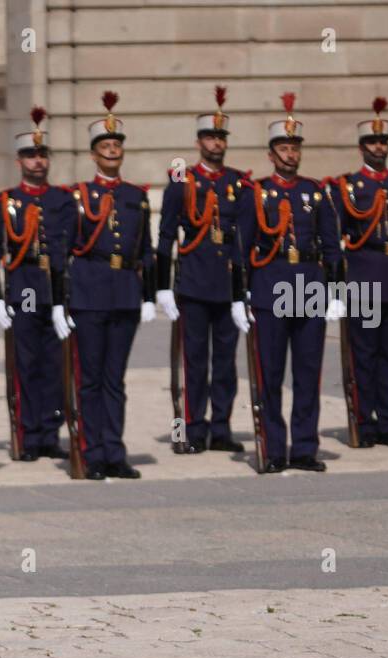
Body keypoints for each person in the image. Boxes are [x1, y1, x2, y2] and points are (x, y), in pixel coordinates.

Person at [236, 93, 344, 473]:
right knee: (270, 373)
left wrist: (336, 292)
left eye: (295, 148)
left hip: (310, 286)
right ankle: (273, 447)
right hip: (270, 285)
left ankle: (304, 448)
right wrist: (241, 295)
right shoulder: (256, 193)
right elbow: (242, 246)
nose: (290, 155)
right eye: (283, 148)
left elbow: (332, 245)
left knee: (308, 372)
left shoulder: (315, 191)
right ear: (271, 154)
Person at [155, 87, 249, 455]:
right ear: (199, 142)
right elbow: (165, 237)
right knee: (193, 365)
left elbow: (246, 240)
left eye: (221, 137)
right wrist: (162, 287)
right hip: (192, 284)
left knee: (225, 364)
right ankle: (190, 429)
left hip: (226, 286)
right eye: (210, 136)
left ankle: (222, 427)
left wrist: (245, 290)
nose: (216, 143)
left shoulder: (239, 184)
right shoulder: (182, 181)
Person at [68, 92, 156, 480]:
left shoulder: (136, 196)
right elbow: (67, 248)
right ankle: (92, 453)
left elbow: (147, 250)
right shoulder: (79, 196)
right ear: (94, 154)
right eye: (104, 146)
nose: (111, 152)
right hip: (89, 291)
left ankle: (114, 451)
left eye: (116, 146)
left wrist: (151, 293)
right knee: (89, 378)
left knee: (114, 379)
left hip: (125, 293)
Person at [0, 106, 73, 462]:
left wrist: (66, 301)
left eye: (42, 155)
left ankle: (51, 432)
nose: (37, 162)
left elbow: (70, 252)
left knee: (55, 368)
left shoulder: (63, 200)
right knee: (25, 367)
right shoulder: (5, 202)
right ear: (19, 161)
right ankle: (27, 434)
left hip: (56, 298)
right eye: (30, 156)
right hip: (21, 293)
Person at [330, 98, 388, 451]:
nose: (378, 148)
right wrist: (335, 289)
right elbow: (334, 240)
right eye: (372, 143)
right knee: (363, 355)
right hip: (363, 276)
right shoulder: (347, 187)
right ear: (362, 147)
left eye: (383, 142)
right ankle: (364, 422)